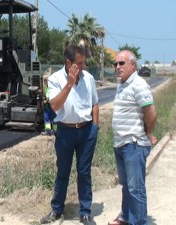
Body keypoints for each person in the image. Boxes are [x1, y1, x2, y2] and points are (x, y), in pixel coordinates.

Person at [40, 44, 99, 225]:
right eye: (79, 63)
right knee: (63, 172)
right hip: (65, 132)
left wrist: (95, 127)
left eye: (83, 63)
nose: (82, 67)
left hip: (87, 131)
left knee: (84, 172)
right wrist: (69, 84)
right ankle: (57, 210)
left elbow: (95, 103)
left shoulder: (89, 78)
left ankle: (85, 211)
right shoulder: (55, 79)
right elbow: (55, 105)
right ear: (68, 62)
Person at [108, 50, 157, 225]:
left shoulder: (139, 84)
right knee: (127, 187)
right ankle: (126, 217)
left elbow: (151, 113)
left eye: (122, 63)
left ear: (133, 65)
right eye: (116, 64)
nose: (118, 67)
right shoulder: (122, 83)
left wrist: (147, 132)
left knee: (136, 189)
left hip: (134, 144)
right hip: (121, 144)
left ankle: (139, 222)